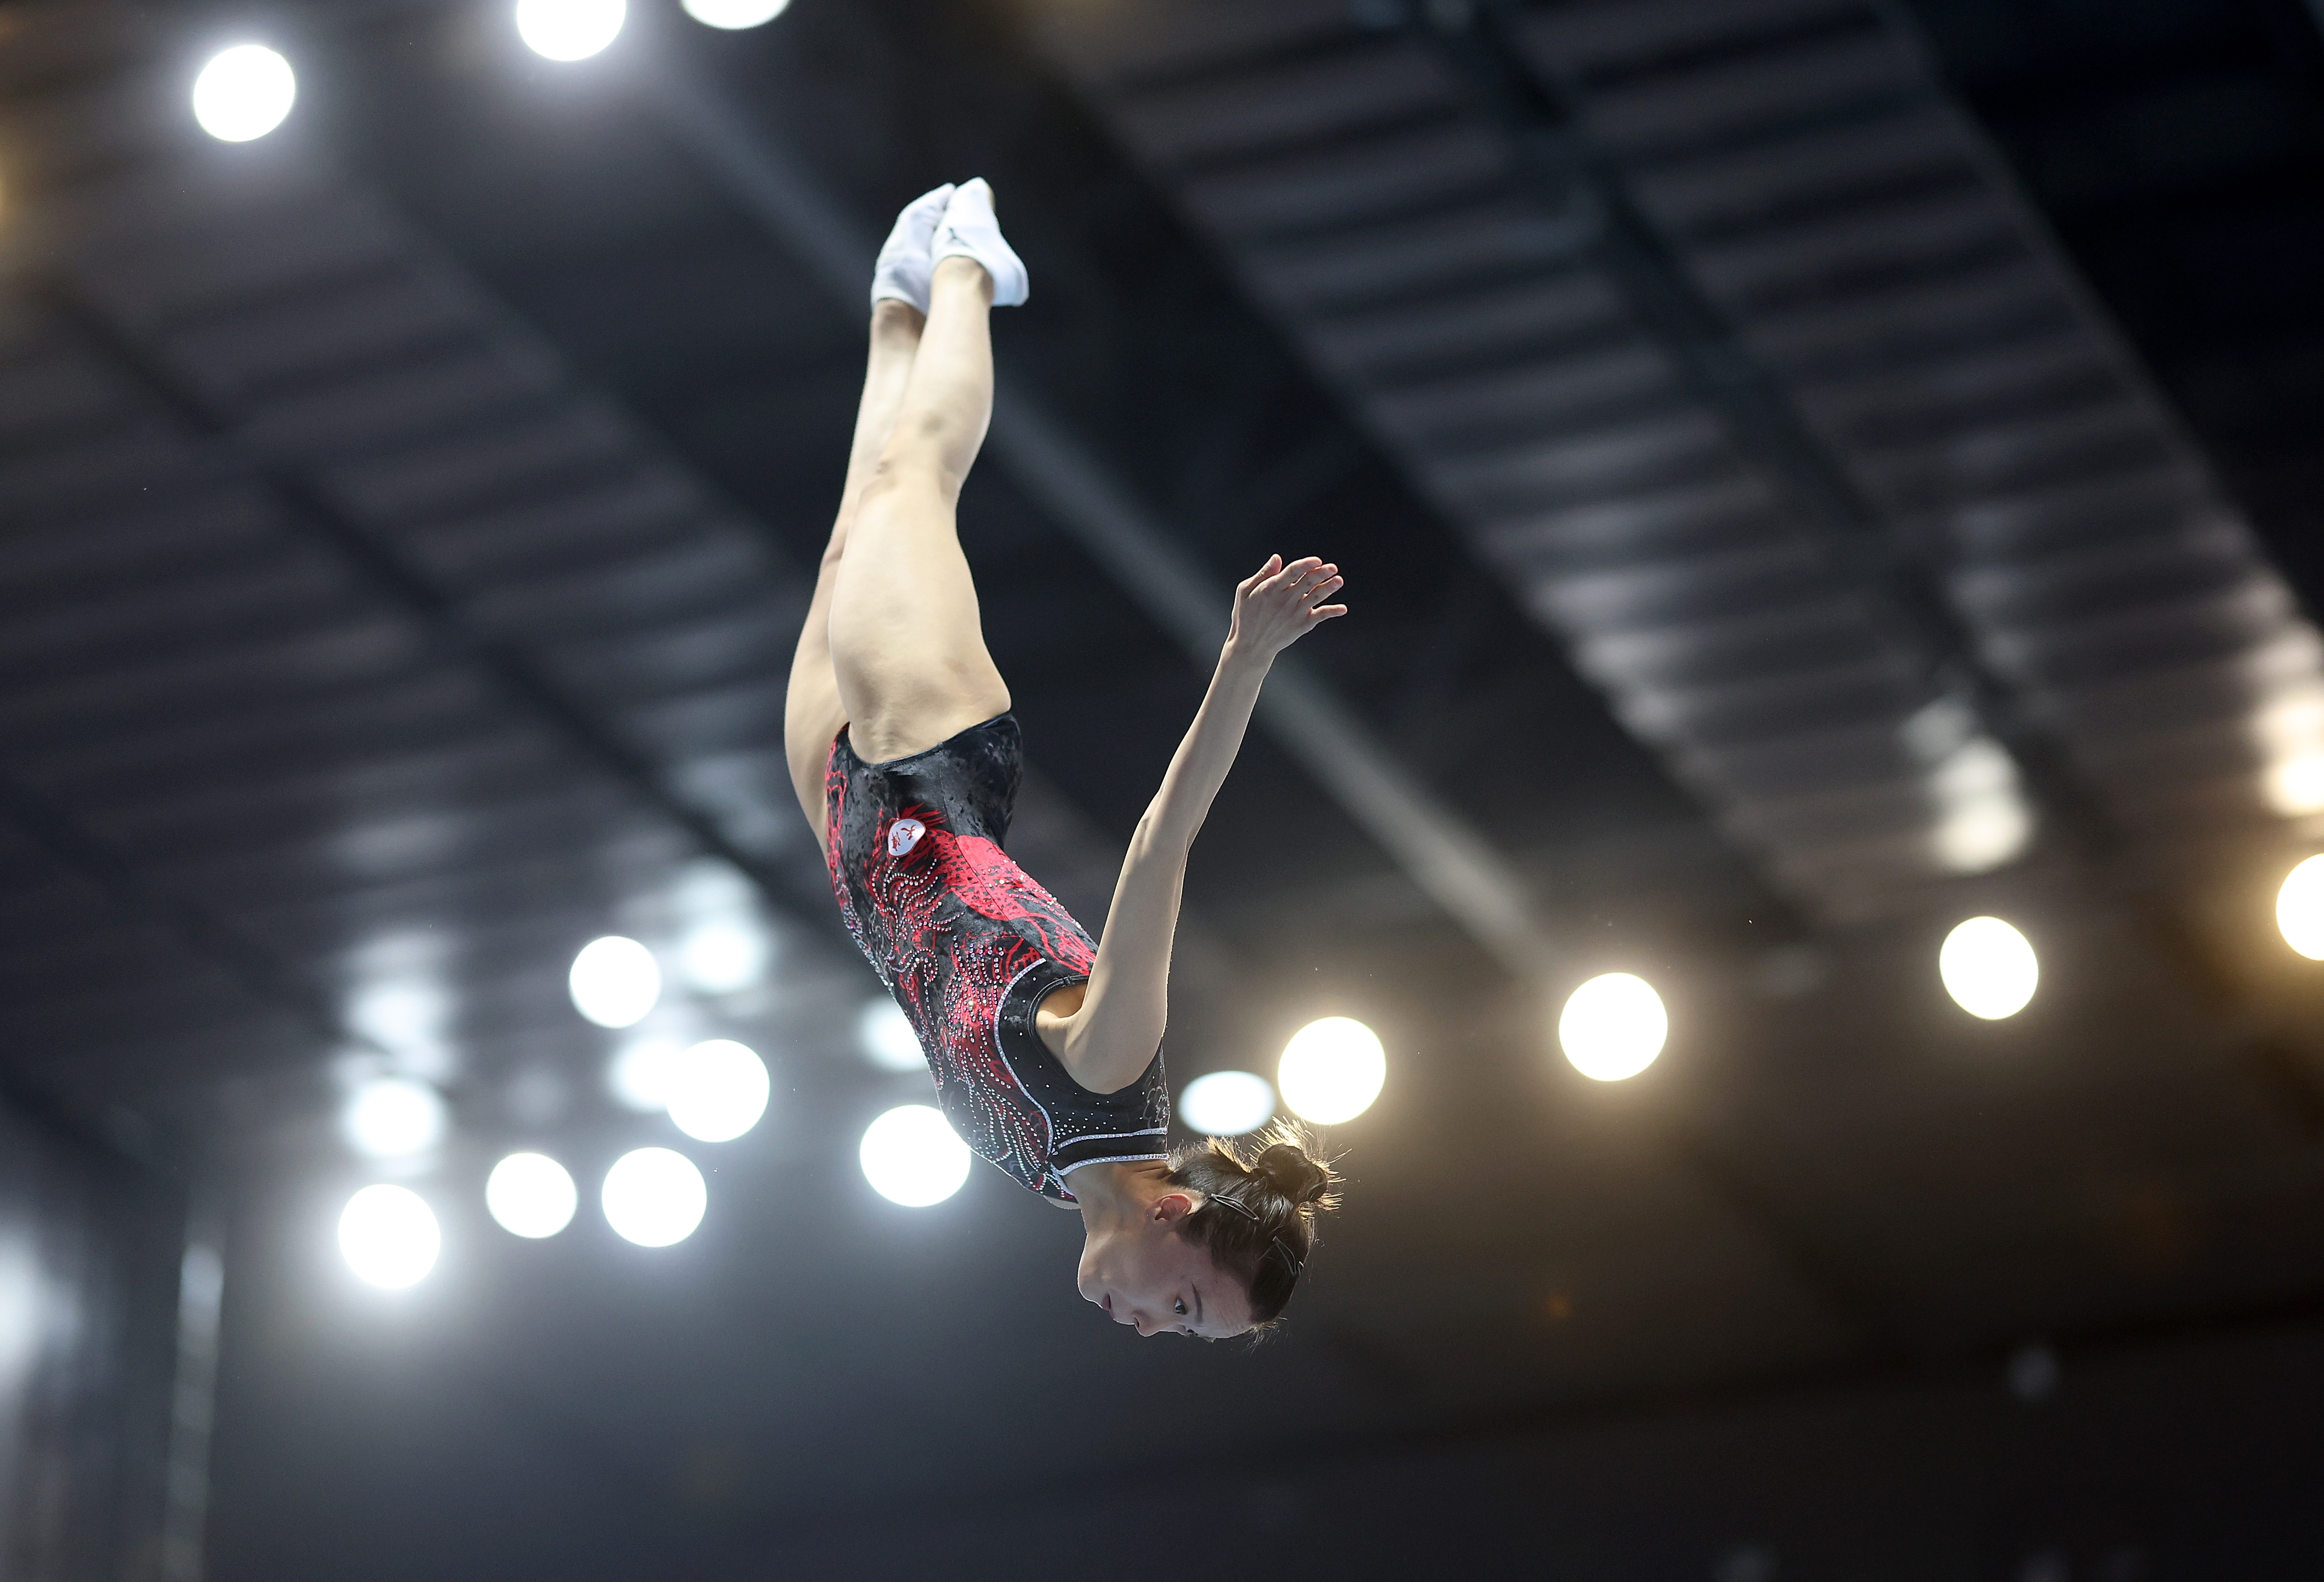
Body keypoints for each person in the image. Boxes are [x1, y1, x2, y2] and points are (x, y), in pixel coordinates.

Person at [782, 180, 1346, 1338]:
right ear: (1176, 1210)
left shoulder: (1051, 1176)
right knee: (912, 484)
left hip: (851, 824)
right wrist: (1243, 658)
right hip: (931, 755)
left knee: (857, 524)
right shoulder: (1113, 1065)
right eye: (1186, 1302)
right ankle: (974, 266)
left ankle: (898, 308)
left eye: (1185, 1328)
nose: (1154, 1325)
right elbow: (1161, 842)